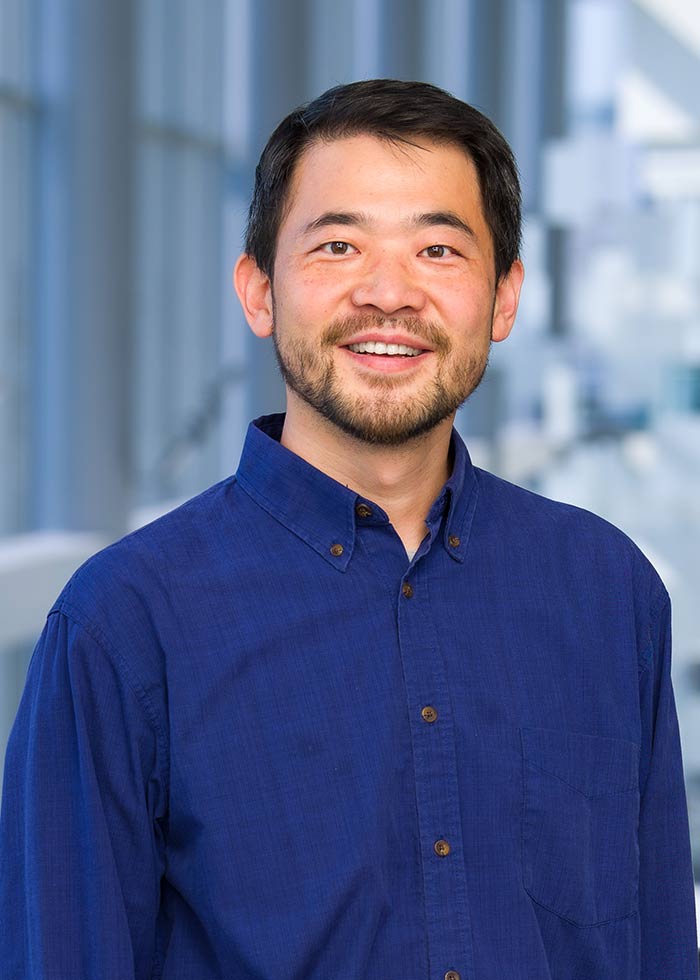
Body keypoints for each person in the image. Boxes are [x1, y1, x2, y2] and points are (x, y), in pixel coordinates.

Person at [0, 78, 697, 980]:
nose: (388, 293)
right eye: (338, 244)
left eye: (439, 249)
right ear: (259, 292)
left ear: (504, 298)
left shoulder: (609, 589)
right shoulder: (123, 625)